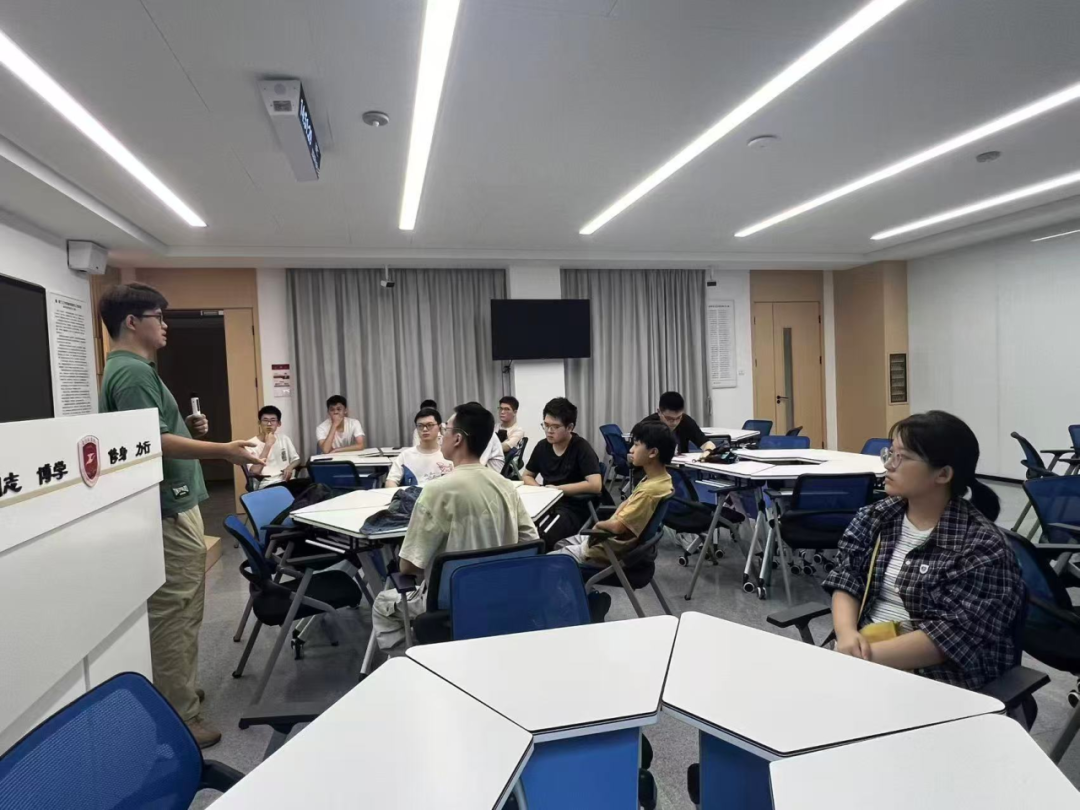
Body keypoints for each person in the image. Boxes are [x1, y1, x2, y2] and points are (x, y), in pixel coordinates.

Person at [98, 283, 262, 749]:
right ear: (133, 322)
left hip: (174, 502)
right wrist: (224, 450)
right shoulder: (131, 372)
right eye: (159, 316)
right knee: (176, 612)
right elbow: (153, 443)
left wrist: (185, 428)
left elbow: (152, 434)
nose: (165, 325)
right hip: (168, 508)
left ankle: (178, 690)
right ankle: (180, 716)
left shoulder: (133, 369)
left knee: (183, 608)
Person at [823, 410, 1024, 690]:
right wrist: (846, 635)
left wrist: (857, 660)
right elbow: (848, 576)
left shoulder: (983, 547)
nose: (888, 465)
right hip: (862, 652)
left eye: (902, 457)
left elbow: (951, 637)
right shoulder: (876, 516)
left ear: (943, 474)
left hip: (937, 679)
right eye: (890, 453)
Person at [372, 403, 539, 648]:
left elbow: (409, 565)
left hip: (449, 601)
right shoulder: (506, 486)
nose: (442, 434)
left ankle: (412, 663)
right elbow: (530, 542)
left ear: (458, 439)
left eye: (445, 429)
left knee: (382, 604)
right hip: (501, 594)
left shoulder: (437, 491)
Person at [551, 420, 674, 568]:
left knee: (547, 563)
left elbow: (617, 527)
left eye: (636, 445)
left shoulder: (650, 491)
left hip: (606, 549)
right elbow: (627, 507)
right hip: (608, 541)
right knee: (560, 544)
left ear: (653, 452)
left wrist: (598, 525)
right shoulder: (662, 480)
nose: (631, 450)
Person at [523, 397, 603, 550]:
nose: (549, 431)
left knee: (542, 537)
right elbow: (527, 475)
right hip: (548, 504)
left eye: (555, 427)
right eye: (546, 425)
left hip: (574, 506)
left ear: (570, 427)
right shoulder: (542, 447)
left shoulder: (581, 448)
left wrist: (557, 490)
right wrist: (541, 490)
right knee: (523, 529)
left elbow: (595, 485)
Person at [387, 407, 453, 487]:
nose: (424, 429)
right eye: (420, 426)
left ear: (439, 428)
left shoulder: (450, 454)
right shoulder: (405, 455)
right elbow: (391, 481)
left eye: (430, 425)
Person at [641, 391, 715, 454]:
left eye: (678, 417)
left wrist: (708, 451)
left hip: (681, 465)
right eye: (669, 419)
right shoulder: (646, 425)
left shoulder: (686, 421)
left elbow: (706, 443)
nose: (675, 423)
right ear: (659, 412)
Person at [247, 405, 301, 489]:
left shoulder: (284, 438)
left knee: (314, 486)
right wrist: (267, 445)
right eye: (265, 420)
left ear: (279, 423)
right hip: (268, 484)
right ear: (259, 423)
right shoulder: (250, 444)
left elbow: (296, 459)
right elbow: (255, 471)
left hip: (288, 481)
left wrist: (289, 467)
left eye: (273, 420)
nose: (269, 424)